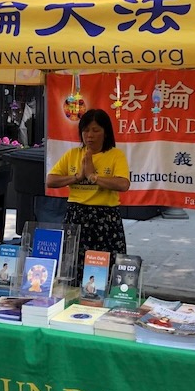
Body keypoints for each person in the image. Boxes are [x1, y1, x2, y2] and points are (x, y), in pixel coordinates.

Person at [46, 108, 130, 279]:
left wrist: (93, 177)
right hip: (77, 214)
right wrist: (78, 177)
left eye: (95, 130)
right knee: (74, 265)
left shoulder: (115, 155)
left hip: (105, 217)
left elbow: (123, 184)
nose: (89, 135)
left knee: (106, 266)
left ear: (105, 133)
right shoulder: (73, 154)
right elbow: (51, 180)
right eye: (85, 130)